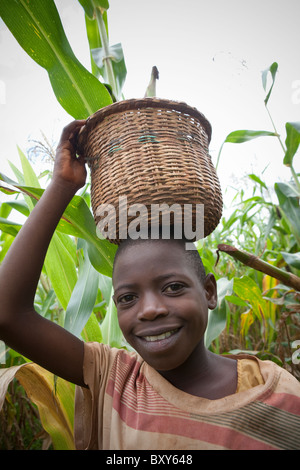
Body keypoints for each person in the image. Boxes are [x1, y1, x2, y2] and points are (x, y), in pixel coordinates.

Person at [0, 120, 299, 450]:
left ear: (210, 292)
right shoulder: (112, 377)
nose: (151, 310)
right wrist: (62, 184)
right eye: (128, 297)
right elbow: (7, 313)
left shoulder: (276, 391)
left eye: (172, 288)